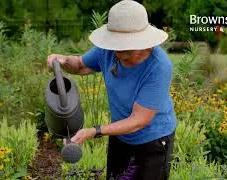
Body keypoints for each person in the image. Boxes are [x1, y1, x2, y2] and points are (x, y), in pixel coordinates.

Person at [47, 1, 177, 179]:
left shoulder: (159, 67)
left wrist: (95, 131)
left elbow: (139, 120)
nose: (118, 53)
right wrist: (62, 60)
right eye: (116, 46)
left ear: (144, 44)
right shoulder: (108, 51)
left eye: (126, 49)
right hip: (120, 135)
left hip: (152, 141)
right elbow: (80, 66)